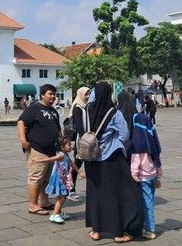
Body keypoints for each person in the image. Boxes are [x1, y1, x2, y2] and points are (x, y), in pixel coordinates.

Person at [85, 82, 142, 243]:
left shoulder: (88, 111)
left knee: (95, 194)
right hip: (110, 158)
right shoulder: (113, 112)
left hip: (90, 158)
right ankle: (118, 232)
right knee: (116, 194)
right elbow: (124, 134)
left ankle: (96, 230)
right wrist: (112, 144)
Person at [17, 84, 61, 216]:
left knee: (46, 179)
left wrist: (63, 141)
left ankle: (44, 201)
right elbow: (21, 122)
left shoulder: (53, 111)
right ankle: (33, 204)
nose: (53, 96)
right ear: (42, 95)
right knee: (36, 178)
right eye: (50, 94)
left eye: (54, 94)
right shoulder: (34, 108)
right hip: (37, 149)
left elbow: (58, 129)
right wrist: (23, 141)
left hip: (51, 150)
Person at [31, 136, 85, 224]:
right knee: (63, 197)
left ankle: (58, 212)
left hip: (63, 178)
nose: (71, 146)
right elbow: (50, 159)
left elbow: (71, 163)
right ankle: (55, 215)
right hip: (59, 179)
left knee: (60, 196)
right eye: (69, 145)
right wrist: (38, 160)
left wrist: (79, 172)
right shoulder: (61, 155)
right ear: (62, 147)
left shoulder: (65, 154)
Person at [131, 112, 163, 240]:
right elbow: (158, 162)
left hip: (143, 178)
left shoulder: (138, 142)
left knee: (147, 203)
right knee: (149, 201)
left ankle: (150, 229)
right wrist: (159, 177)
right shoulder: (153, 141)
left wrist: (134, 174)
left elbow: (135, 162)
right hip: (153, 176)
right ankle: (146, 226)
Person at [68, 86, 90, 201]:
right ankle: (71, 190)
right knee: (77, 164)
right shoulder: (77, 107)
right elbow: (80, 126)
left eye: (88, 94)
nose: (87, 96)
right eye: (85, 94)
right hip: (81, 140)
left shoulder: (86, 106)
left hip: (87, 139)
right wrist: (84, 140)